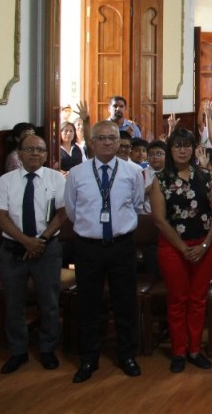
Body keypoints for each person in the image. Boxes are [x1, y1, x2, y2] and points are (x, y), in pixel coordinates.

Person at [64, 120, 145, 383]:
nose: (108, 142)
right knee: (88, 304)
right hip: (88, 247)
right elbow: (72, 210)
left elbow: (136, 203)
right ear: (92, 142)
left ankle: (127, 355)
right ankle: (89, 358)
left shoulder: (132, 172)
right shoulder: (77, 173)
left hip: (121, 245)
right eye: (102, 138)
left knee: (125, 302)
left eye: (113, 138)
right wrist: (92, 229)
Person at [0, 134, 68, 374]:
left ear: (46, 154)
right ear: (20, 153)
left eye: (40, 150)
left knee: (49, 302)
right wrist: (26, 242)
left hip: (47, 248)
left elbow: (62, 213)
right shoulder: (6, 181)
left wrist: (42, 240)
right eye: (30, 149)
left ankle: (47, 349)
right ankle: (18, 351)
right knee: (14, 303)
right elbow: (0, 217)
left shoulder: (56, 179)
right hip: (13, 248)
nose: (35, 154)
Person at [149, 127, 212, 373]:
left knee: (198, 300)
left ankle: (195, 350)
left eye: (186, 145)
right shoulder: (160, 180)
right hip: (173, 248)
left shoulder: (206, 177)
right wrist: (183, 248)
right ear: (170, 150)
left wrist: (205, 244)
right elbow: (159, 219)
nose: (182, 150)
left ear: (193, 149)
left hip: (204, 246)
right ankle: (179, 350)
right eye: (177, 145)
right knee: (178, 300)